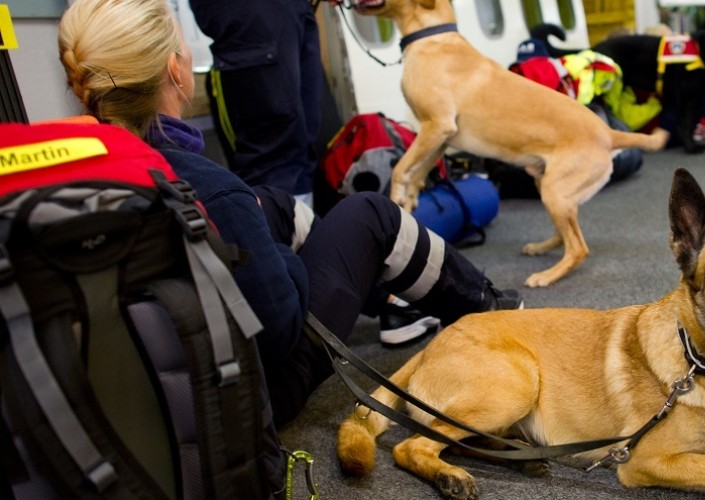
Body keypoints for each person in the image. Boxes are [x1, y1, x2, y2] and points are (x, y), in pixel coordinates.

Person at [57, 0, 522, 427]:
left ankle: (386, 299)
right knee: (370, 215)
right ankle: (493, 309)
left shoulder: (71, 175)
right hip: (253, 397)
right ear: (175, 71)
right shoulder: (214, 190)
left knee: (274, 203)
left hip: (157, 392)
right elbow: (279, 331)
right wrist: (284, 260)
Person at [187, 0, 323, 197]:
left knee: (305, 140)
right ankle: (271, 215)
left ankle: (298, 215)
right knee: (272, 153)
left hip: (295, 8)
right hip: (250, 9)